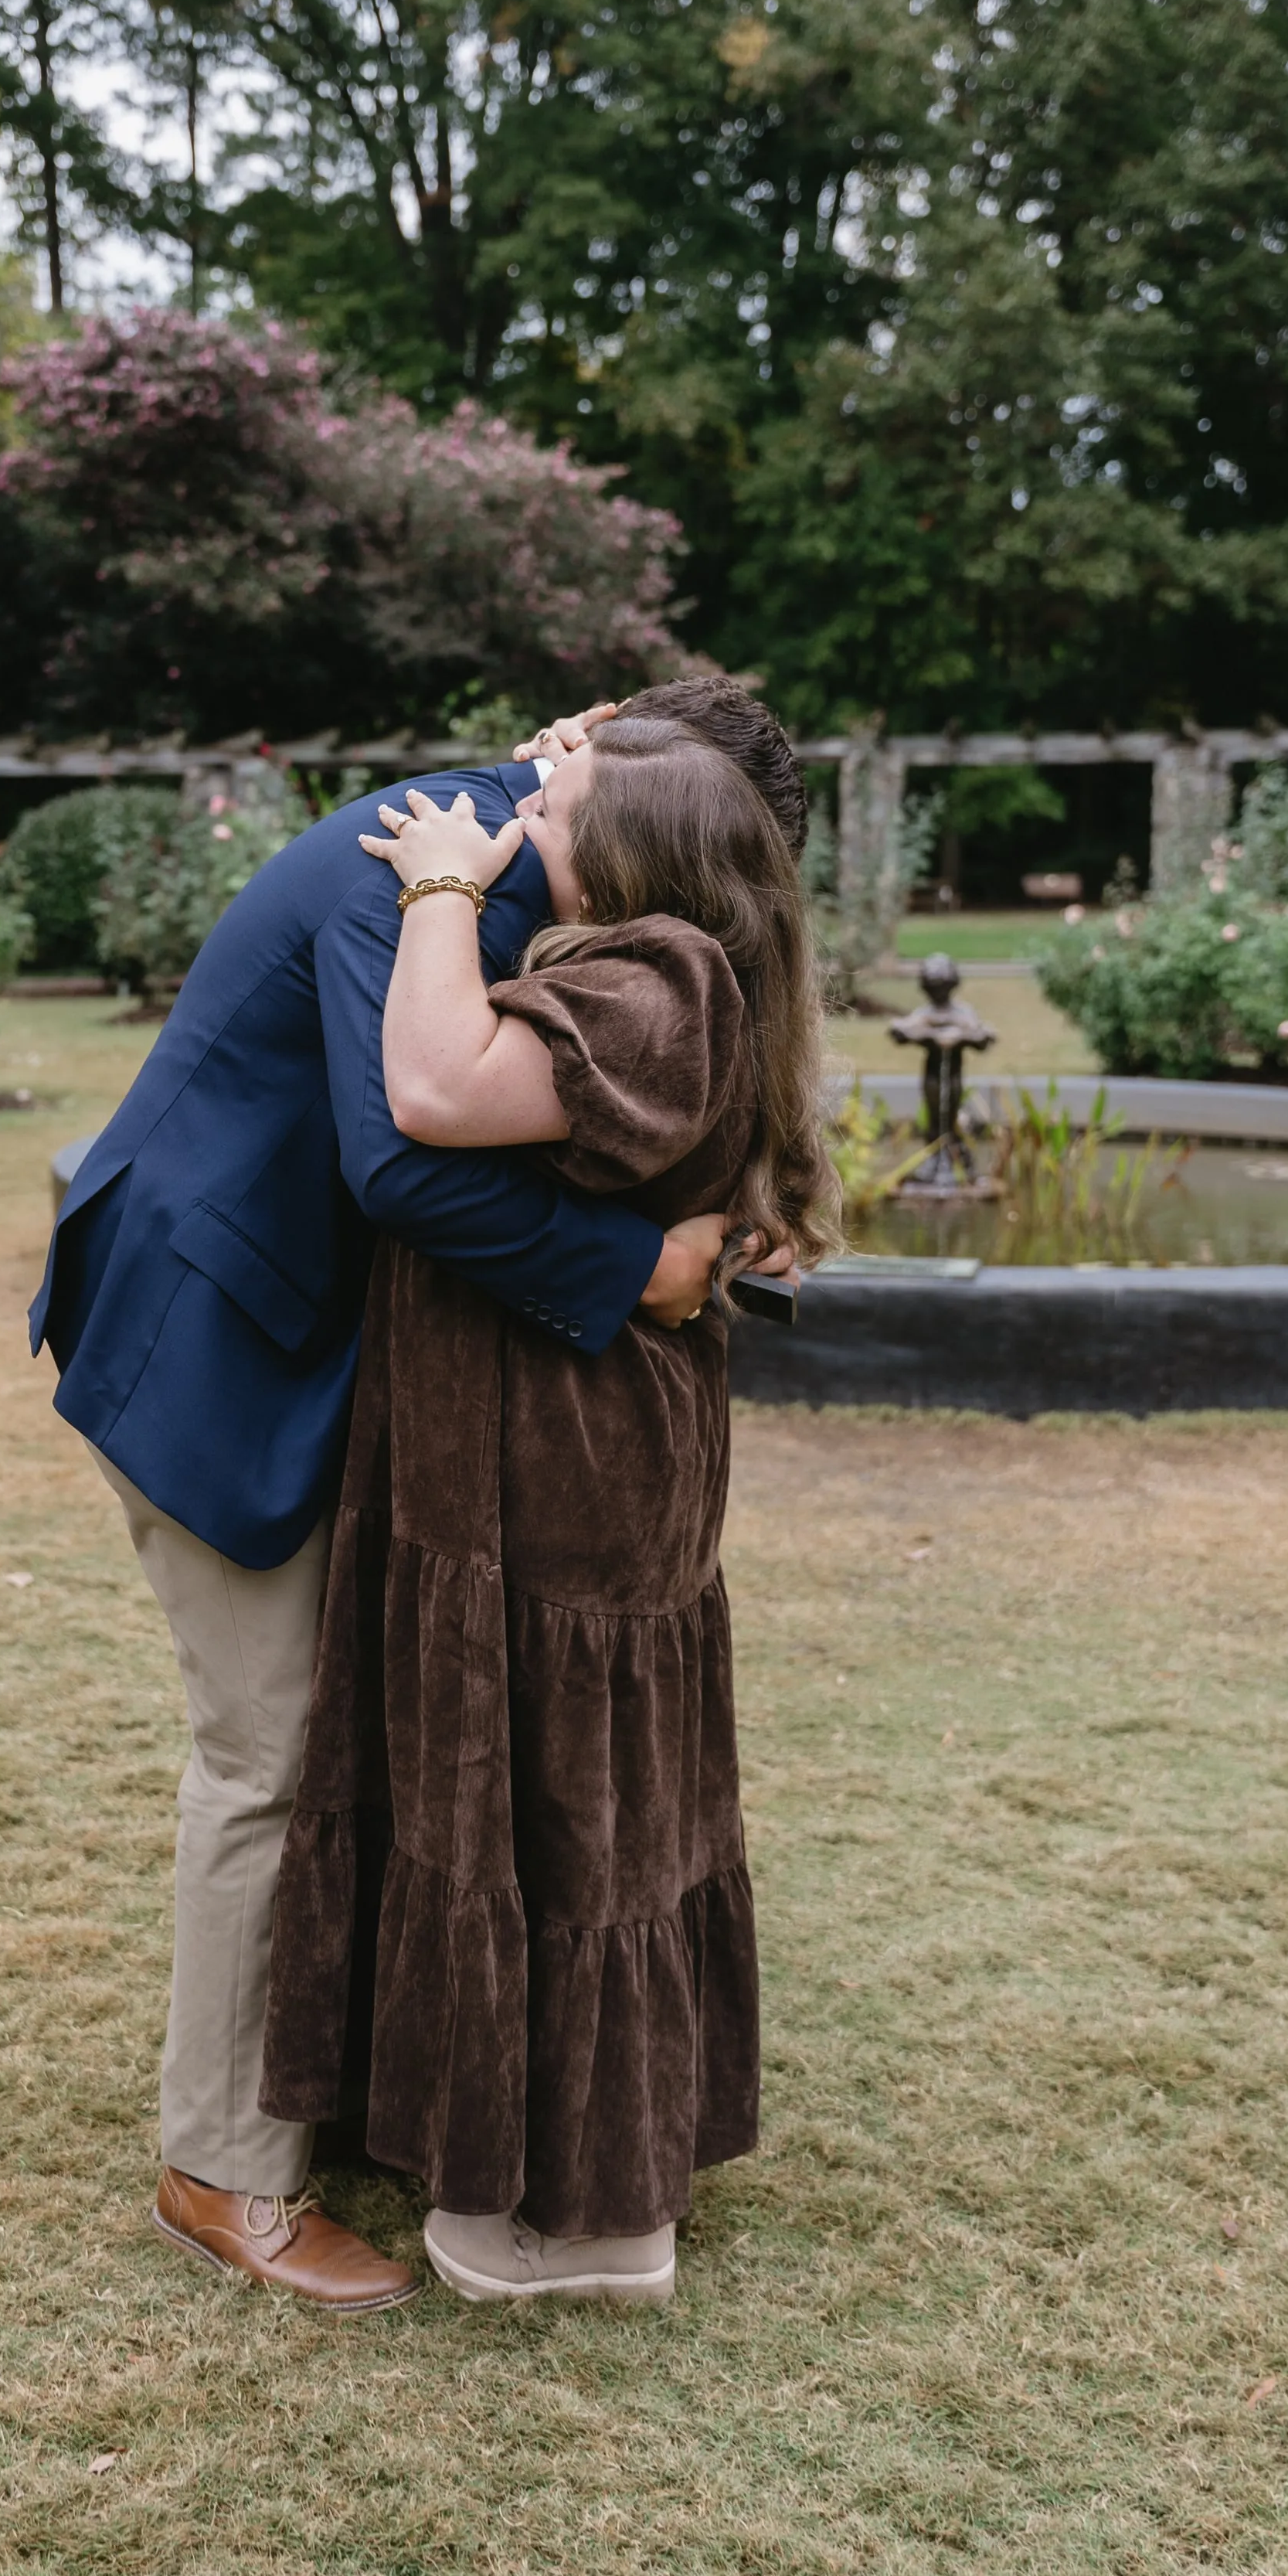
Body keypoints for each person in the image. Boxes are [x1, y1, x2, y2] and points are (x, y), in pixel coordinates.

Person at [29, 679, 806, 2313]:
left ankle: (350, 2081)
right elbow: (404, 1157)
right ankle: (220, 2171)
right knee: (267, 1753)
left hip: (317, 1339)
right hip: (212, 1329)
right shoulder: (439, 858)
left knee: (350, 1731)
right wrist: (638, 1267)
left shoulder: (539, 867)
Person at [259, 716, 840, 2304]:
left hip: (571, 1460)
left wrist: (443, 886)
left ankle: (591, 2220)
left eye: (561, 801)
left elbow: (434, 1088)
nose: (526, 809)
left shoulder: (662, 982)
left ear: (642, 849)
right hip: (536, 1443)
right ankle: (521, 2151)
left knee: (569, 1815)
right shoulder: (662, 971)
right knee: (528, 1799)